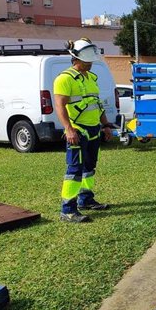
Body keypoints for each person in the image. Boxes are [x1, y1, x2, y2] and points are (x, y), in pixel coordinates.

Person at [54, 38, 113, 223]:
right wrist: (69, 129)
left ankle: (86, 200)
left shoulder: (91, 78)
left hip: (94, 129)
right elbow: (60, 106)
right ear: (75, 59)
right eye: (87, 60)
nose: (90, 63)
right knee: (74, 170)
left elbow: (97, 104)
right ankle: (67, 210)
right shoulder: (64, 79)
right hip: (77, 131)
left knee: (89, 168)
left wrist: (106, 125)